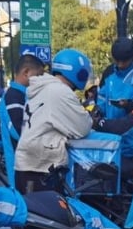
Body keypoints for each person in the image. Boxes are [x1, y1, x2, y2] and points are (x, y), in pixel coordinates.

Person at [15, 48, 93, 195]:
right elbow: (83, 127)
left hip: (30, 164)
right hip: (41, 168)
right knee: (45, 209)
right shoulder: (60, 91)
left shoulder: (42, 87)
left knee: (32, 208)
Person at [96, 36, 133, 171]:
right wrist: (97, 110)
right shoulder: (109, 73)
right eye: (117, 61)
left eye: (124, 61)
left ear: (132, 57)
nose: (120, 65)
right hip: (112, 143)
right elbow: (101, 98)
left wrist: (129, 104)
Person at [0, 54, 45, 188]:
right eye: (39, 75)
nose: (41, 80)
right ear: (26, 72)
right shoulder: (13, 97)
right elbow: (19, 132)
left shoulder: (25, 96)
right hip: (21, 171)